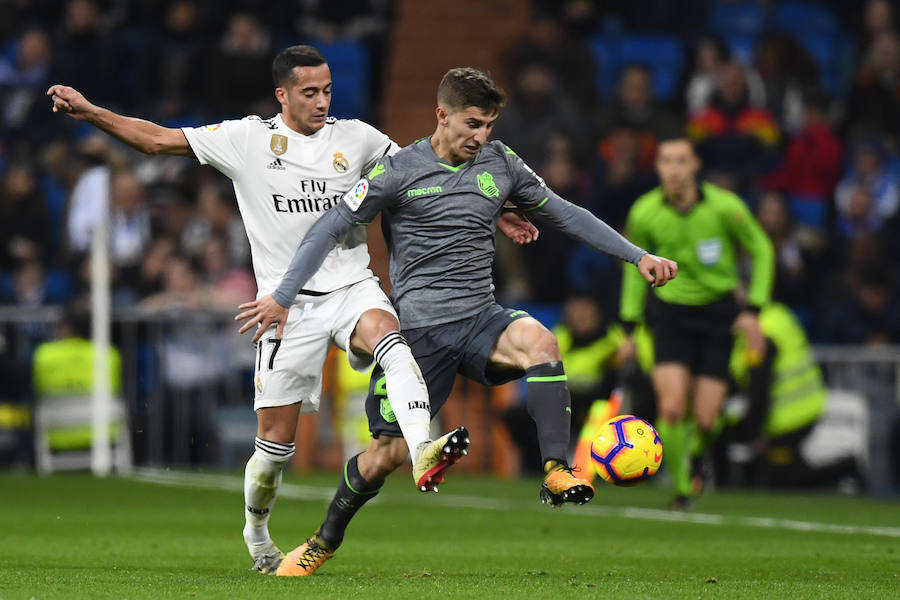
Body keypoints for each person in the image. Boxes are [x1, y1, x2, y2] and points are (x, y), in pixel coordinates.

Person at [47, 45, 537, 575]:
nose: (322, 101)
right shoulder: (245, 140)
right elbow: (158, 140)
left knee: (395, 345)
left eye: (327, 90)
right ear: (283, 94)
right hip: (285, 305)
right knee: (273, 452)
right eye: (309, 92)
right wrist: (92, 113)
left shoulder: (361, 139)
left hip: (352, 287)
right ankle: (256, 531)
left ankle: (421, 448)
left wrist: (502, 210)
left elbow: (427, 175)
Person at [238, 66, 677, 576]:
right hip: (418, 337)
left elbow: (563, 212)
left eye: (489, 124)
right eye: (473, 123)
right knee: (387, 456)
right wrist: (283, 296)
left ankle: (556, 469)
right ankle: (323, 539)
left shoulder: (500, 162)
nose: (482, 136)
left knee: (540, 341)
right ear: (442, 115)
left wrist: (636, 256)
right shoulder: (399, 171)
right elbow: (328, 228)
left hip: (480, 318)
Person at [618, 135, 775, 510]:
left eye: (681, 161)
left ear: (695, 166)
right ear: (657, 168)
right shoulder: (644, 212)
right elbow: (633, 270)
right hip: (668, 314)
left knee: (705, 419)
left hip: (717, 315)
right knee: (671, 408)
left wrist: (753, 309)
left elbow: (762, 249)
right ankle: (683, 490)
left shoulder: (725, 208)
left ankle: (695, 458)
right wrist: (629, 327)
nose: (673, 169)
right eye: (666, 161)